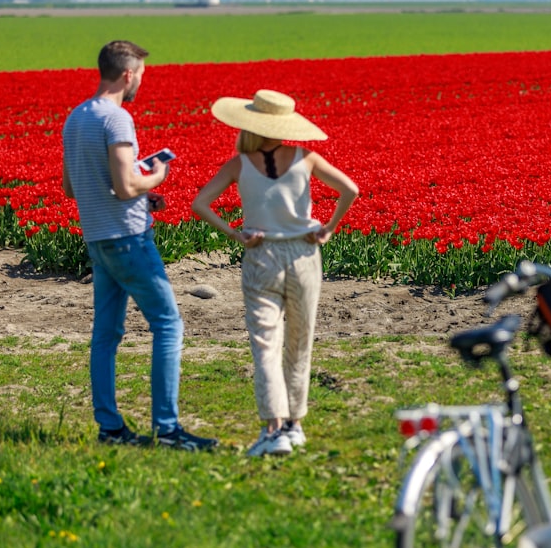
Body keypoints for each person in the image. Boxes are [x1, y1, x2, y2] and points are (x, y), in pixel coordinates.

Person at [61, 39, 218, 451]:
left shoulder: (75, 118)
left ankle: (110, 428)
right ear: (128, 74)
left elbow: (71, 187)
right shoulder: (117, 120)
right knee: (168, 324)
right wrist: (156, 177)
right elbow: (126, 184)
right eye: (142, 76)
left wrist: (136, 190)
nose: (140, 85)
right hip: (129, 240)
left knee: (106, 334)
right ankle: (167, 430)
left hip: (97, 238)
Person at [191, 90, 359, 456]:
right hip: (303, 254)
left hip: (261, 254)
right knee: (300, 342)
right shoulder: (307, 156)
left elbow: (200, 203)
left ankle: (272, 429)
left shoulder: (239, 164)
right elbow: (350, 189)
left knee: (266, 343)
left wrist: (235, 233)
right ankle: (295, 426)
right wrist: (328, 226)